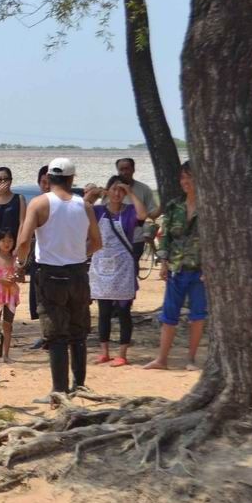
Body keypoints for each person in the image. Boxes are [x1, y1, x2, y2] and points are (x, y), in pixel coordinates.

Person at [15, 158, 102, 405]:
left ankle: (59, 391)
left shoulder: (39, 203)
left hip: (50, 274)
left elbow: (23, 242)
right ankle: (80, 384)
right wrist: (76, 255)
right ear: (72, 179)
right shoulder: (84, 206)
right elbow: (97, 242)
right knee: (78, 331)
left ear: (49, 178)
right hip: (77, 273)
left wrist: (21, 265)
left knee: (55, 334)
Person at [144, 162, 206, 371]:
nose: (185, 182)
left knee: (197, 315)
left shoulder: (209, 208)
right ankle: (161, 359)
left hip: (199, 271)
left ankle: (191, 359)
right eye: (182, 178)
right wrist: (163, 263)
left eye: (190, 177)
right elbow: (165, 237)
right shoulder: (173, 206)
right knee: (169, 315)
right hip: (176, 269)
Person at [85, 176, 148, 366]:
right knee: (103, 312)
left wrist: (131, 193)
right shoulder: (98, 212)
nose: (117, 193)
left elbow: (143, 215)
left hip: (123, 268)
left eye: (121, 190)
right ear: (108, 191)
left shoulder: (129, 212)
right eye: (114, 189)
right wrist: (93, 194)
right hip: (102, 266)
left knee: (123, 312)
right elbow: (80, 209)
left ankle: (122, 353)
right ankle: (104, 351)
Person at [115, 158, 161, 276]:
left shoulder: (143, 189)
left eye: (127, 168)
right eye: (121, 169)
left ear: (133, 169)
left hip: (136, 239)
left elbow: (152, 213)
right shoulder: (112, 189)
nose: (125, 172)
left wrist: (164, 205)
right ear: (117, 170)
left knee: (131, 272)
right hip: (115, 238)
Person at [0, 229, 21, 363]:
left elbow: (21, 276)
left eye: (10, 241)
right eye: (3, 241)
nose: (7, 243)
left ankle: (6, 355)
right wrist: (0, 281)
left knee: (8, 325)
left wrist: (17, 277)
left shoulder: (15, 259)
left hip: (11, 295)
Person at [27, 165, 51, 340]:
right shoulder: (35, 204)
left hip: (58, 261)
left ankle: (52, 336)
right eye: (43, 182)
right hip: (39, 257)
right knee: (39, 299)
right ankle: (45, 334)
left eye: (50, 182)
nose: (47, 186)